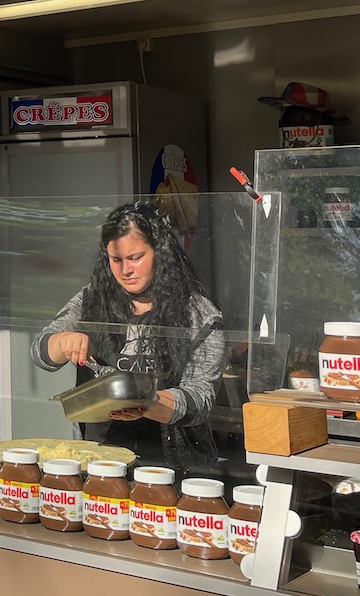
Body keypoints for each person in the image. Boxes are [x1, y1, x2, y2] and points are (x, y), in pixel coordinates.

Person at [31, 201, 225, 470]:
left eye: (136, 258)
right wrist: (61, 342)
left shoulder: (199, 314)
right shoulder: (90, 300)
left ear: (161, 252)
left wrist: (148, 402)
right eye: (116, 260)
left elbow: (201, 400)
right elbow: (41, 354)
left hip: (174, 467)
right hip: (99, 460)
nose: (125, 271)